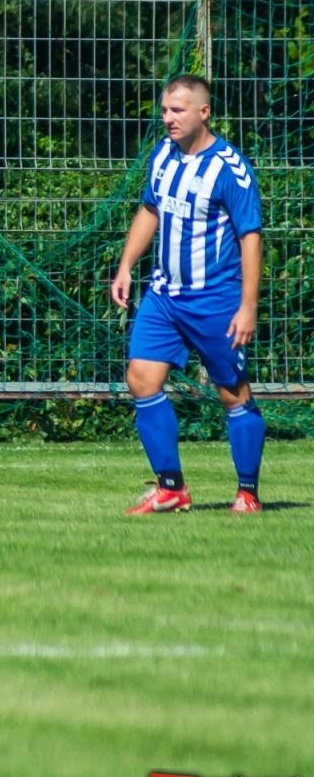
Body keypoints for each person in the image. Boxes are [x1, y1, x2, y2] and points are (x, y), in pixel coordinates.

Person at [111, 73, 265, 515]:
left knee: (232, 394)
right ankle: (171, 488)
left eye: (177, 110)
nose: (168, 119)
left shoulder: (230, 169)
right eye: (164, 110)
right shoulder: (162, 155)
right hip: (164, 296)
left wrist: (247, 305)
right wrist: (125, 266)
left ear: (204, 112)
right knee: (141, 378)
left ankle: (248, 492)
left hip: (215, 299)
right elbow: (150, 209)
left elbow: (250, 237)